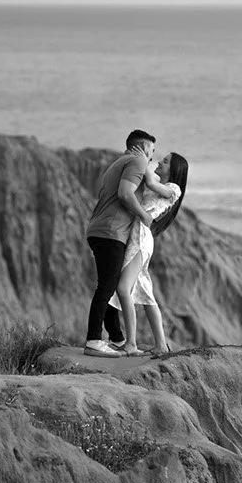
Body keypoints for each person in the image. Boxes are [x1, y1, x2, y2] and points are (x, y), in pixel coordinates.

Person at [84, 129, 157, 357]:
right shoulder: (138, 160)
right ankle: (94, 340)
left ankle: (116, 337)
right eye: (152, 151)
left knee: (109, 283)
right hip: (111, 232)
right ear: (143, 147)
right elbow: (126, 194)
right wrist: (145, 216)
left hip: (99, 229)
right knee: (106, 286)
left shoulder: (119, 163)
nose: (152, 158)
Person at [109, 152, 188, 355]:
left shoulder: (173, 189)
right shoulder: (157, 185)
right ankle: (161, 344)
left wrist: (141, 159)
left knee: (123, 288)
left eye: (166, 161)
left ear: (175, 169)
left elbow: (152, 184)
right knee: (146, 293)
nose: (160, 161)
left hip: (141, 240)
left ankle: (131, 343)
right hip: (137, 236)